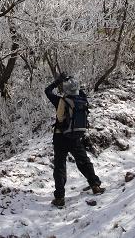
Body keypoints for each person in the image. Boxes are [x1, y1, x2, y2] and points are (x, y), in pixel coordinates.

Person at [45, 72, 104, 207]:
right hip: (76, 137)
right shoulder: (81, 99)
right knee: (83, 161)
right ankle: (95, 185)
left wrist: (58, 81)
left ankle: (59, 198)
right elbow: (80, 91)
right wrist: (73, 81)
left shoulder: (61, 101)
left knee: (60, 166)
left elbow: (47, 91)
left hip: (60, 137)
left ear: (65, 90)